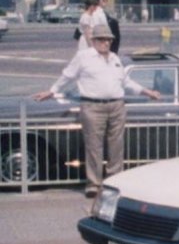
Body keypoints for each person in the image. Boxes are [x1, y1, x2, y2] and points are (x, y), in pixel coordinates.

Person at [33, 24, 160, 198]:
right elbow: (68, 75)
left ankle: (114, 181)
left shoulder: (115, 58)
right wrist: (52, 90)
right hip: (92, 107)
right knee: (94, 146)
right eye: (101, 39)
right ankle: (94, 183)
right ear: (93, 41)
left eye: (108, 39)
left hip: (116, 106)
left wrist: (147, 92)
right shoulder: (83, 57)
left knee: (116, 146)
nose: (105, 43)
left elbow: (126, 82)